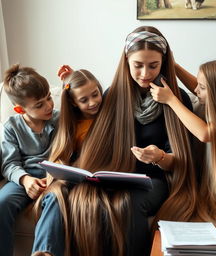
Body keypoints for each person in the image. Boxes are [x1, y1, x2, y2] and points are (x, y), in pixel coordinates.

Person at [70, 25, 198, 256]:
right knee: (86, 200)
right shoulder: (112, 95)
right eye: (137, 65)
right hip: (117, 175)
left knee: (128, 203)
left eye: (153, 65)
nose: (145, 74)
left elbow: (179, 162)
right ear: (126, 61)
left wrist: (159, 157)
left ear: (164, 63)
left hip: (156, 181)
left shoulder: (177, 99)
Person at [151, 59, 216, 255]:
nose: (196, 91)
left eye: (202, 87)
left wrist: (170, 99)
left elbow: (204, 134)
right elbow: (202, 87)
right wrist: (174, 66)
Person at [32, 67, 103, 256]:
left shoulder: (108, 115)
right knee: (55, 196)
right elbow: (59, 155)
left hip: (97, 178)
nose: (93, 102)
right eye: (84, 100)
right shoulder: (69, 124)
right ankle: (44, 253)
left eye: (95, 94)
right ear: (72, 102)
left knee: (83, 201)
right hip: (72, 177)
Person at [0, 64, 58, 256]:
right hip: (24, 178)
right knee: (3, 202)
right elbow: (9, 164)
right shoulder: (11, 127)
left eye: (49, 97)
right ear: (19, 109)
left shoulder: (59, 120)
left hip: (54, 178)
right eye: (39, 104)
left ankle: (43, 252)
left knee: (56, 200)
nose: (49, 105)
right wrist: (25, 180)